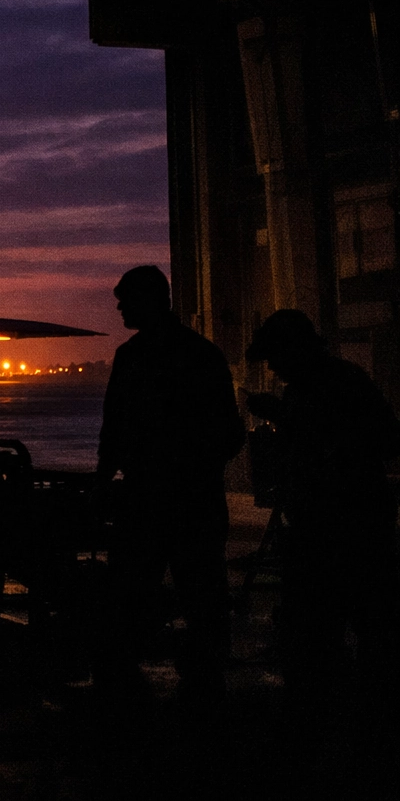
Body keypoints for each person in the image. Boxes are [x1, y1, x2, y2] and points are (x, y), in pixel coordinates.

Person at [94, 265, 244, 710]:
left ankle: (128, 665)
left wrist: (105, 480)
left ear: (148, 300)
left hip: (149, 494)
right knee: (201, 583)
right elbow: (228, 431)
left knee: (134, 580)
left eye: (125, 300)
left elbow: (114, 427)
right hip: (193, 494)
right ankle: (205, 666)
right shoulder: (202, 354)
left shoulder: (133, 356)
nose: (119, 308)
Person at [244, 309, 400, 720]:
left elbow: (350, 437)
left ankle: (346, 710)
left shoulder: (327, 387)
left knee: (336, 620)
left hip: (340, 522)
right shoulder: (337, 381)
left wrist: (281, 417)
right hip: (349, 518)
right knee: (362, 618)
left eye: (276, 358)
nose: (273, 368)